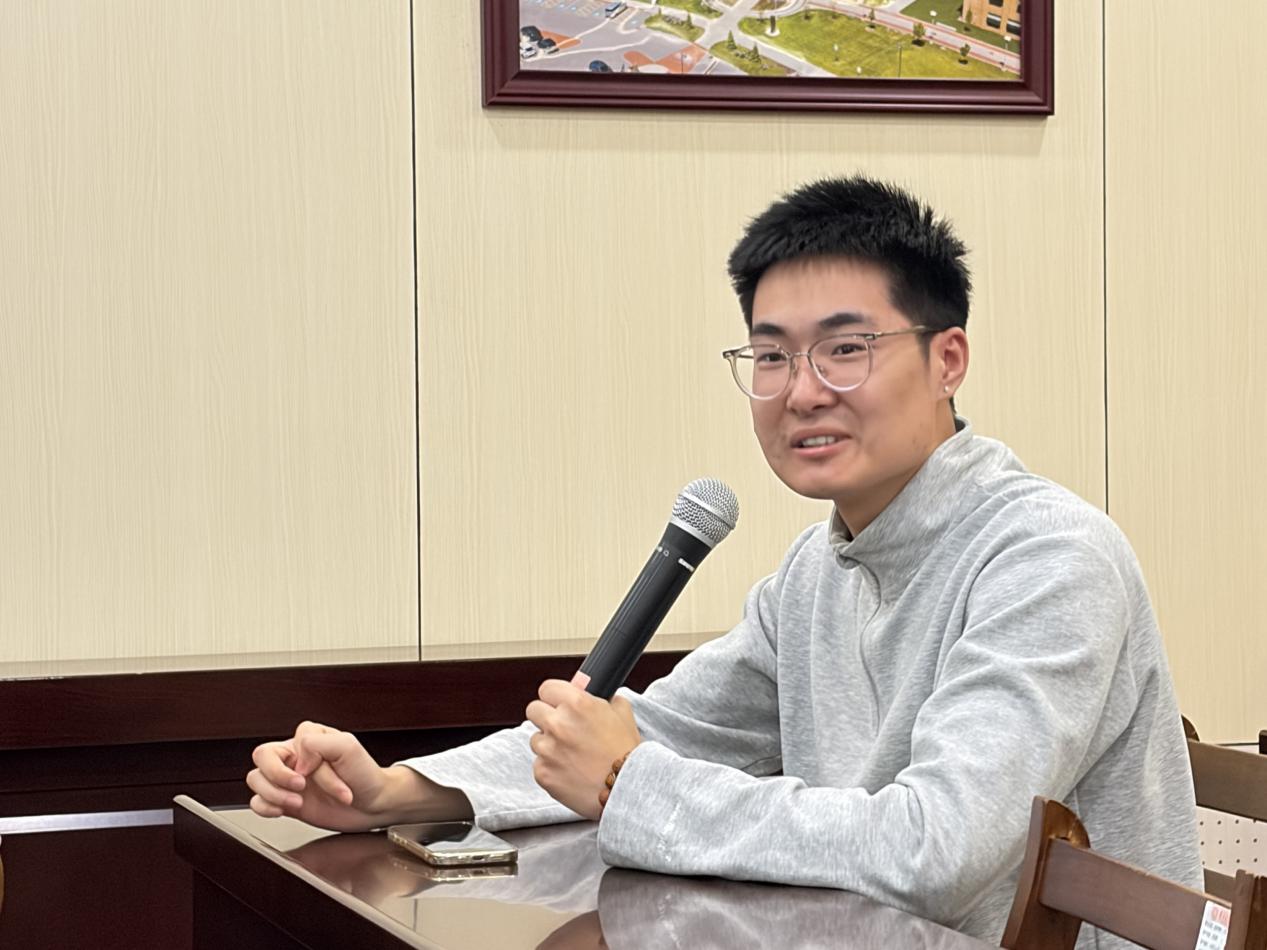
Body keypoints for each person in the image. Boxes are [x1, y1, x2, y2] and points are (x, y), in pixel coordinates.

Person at [247, 176, 1201, 945]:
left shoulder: (1048, 556)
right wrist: (400, 792)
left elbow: (935, 850)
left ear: (946, 359)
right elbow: (654, 731)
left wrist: (629, 784)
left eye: (846, 349)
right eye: (771, 357)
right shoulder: (817, 567)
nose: (801, 391)